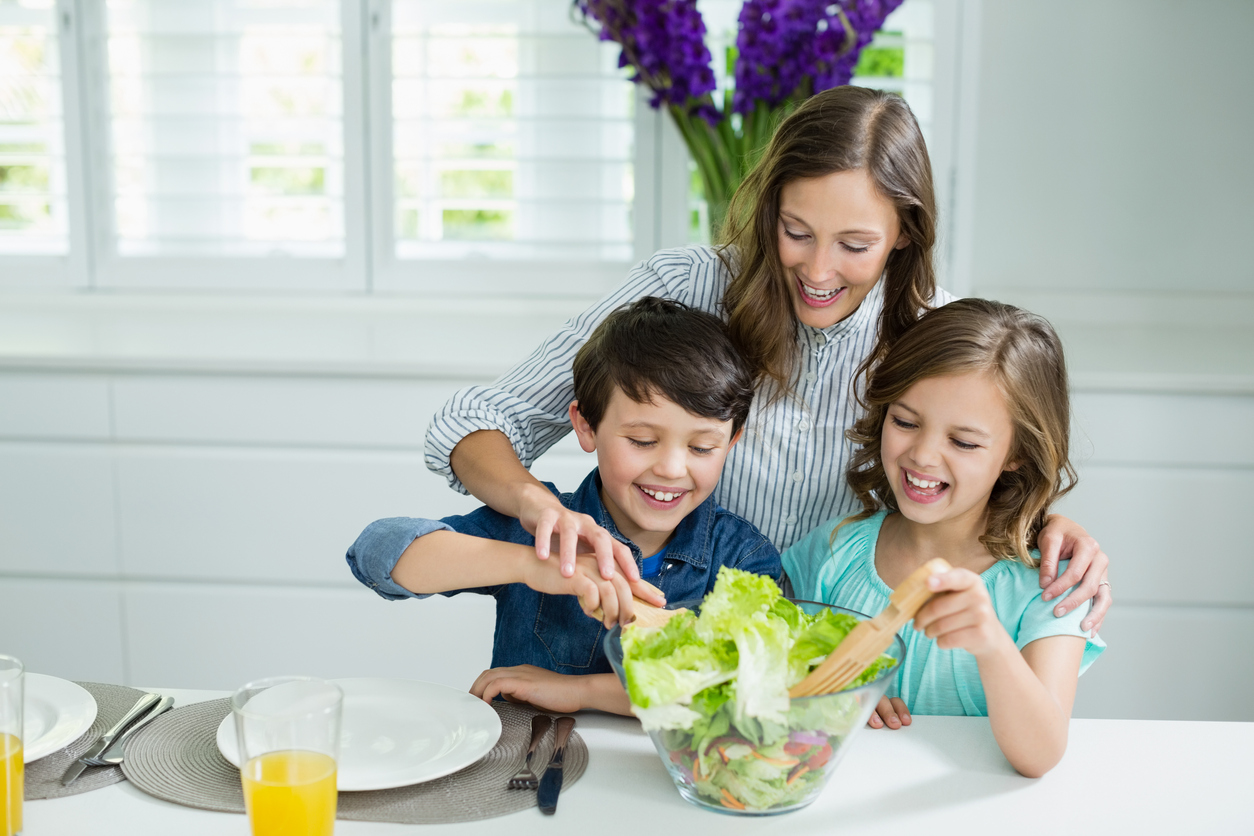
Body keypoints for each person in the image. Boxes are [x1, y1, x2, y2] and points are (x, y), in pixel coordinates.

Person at [424, 85, 1112, 633]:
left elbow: (966, 467)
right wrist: (537, 507)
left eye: (854, 244)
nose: (817, 269)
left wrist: (1037, 522)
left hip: (824, 656)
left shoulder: (937, 338)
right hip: (658, 628)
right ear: (770, 209)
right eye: (797, 231)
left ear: (905, 234)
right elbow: (474, 421)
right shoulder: (686, 286)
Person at [347, 298, 782, 715]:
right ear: (586, 426)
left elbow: (742, 686)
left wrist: (581, 692)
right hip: (527, 768)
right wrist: (532, 566)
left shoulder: (743, 557)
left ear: (732, 441)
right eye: (642, 441)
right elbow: (377, 553)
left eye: (702, 447)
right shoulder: (543, 529)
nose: (671, 468)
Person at [783, 299, 1105, 777]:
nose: (924, 455)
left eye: (964, 442)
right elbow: (785, 685)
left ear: (1017, 453)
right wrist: (831, 699)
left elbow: (1040, 754)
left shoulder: (1048, 585)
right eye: (905, 422)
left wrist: (992, 642)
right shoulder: (832, 552)